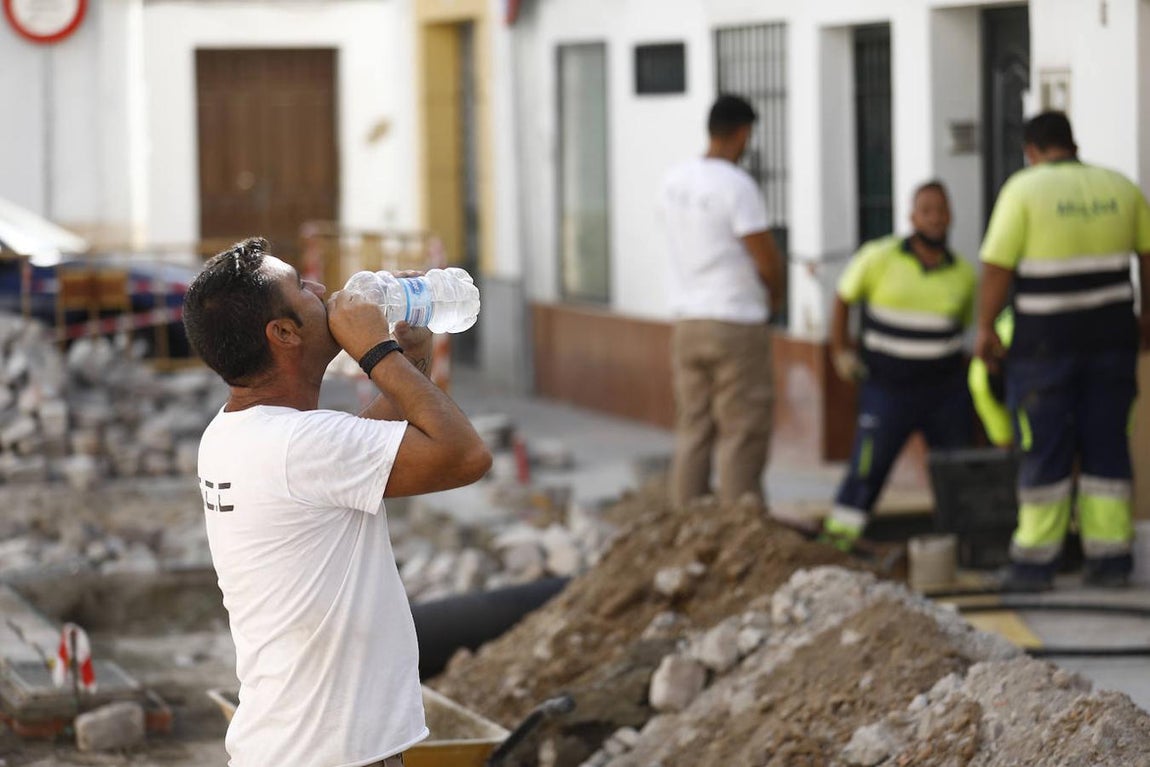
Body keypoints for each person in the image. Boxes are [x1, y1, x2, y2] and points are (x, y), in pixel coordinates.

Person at [182, 238, 492, 767]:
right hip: (329, 754)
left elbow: (361, 455)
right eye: (301, 288)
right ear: (282, 333)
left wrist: (407, 355)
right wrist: (376, 354)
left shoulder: (239, 434)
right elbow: (466, 456)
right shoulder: (299, 445)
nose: (322, 290)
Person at [976, 111, 1150, 591]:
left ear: (1032, 150)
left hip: (1045, 347)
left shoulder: (1023, 190)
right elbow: (1149, 255)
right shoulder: (1121, 187)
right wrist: (1147, 316)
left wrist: (985, 328)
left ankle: (1035, 564)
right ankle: (1110, 560)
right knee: (1107, 446)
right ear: (1071, 143)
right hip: (1113, 341)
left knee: (1044, 449)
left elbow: (996, 269)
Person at [823, 181, 976, 550]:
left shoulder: (964, 275)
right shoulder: (879, 257)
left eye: (942, 210)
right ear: (912, 217)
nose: (936, 218)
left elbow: (964, 329)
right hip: (887, 389)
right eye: (927, 210)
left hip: (944, 391)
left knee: (956, 471)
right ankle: (837, 546)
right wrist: (840, 350)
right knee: (867, 469)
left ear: (951, 215)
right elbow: (843, 298)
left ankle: (964, 546)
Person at [660, 94, 785, 509]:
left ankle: (687, 520)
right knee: (742, 428)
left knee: (694, 427)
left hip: (687, 322)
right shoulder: (737, 185)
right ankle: (740, 524)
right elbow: (764, 256)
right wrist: (777, 295)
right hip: (733, 321)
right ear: (743, 133)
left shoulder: (674, 180)